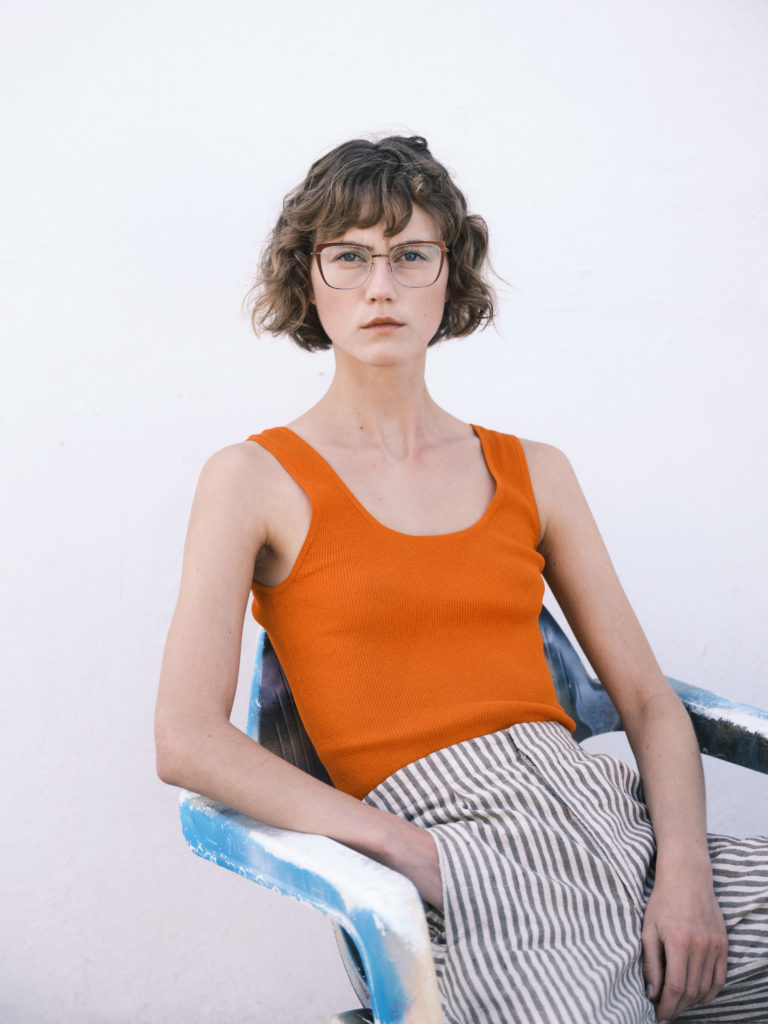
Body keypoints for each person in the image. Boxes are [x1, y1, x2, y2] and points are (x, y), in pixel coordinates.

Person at [155, 135, 768, 1023]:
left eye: (411, 256)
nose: (381, 286)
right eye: (349, 257)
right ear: (307, 279)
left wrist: (685, 876)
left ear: (451, 277)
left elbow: (647, 700)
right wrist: (407, 853)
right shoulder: (252, 479)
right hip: (454, 854)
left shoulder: (535, 469)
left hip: (615, 823)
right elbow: (186, 738)